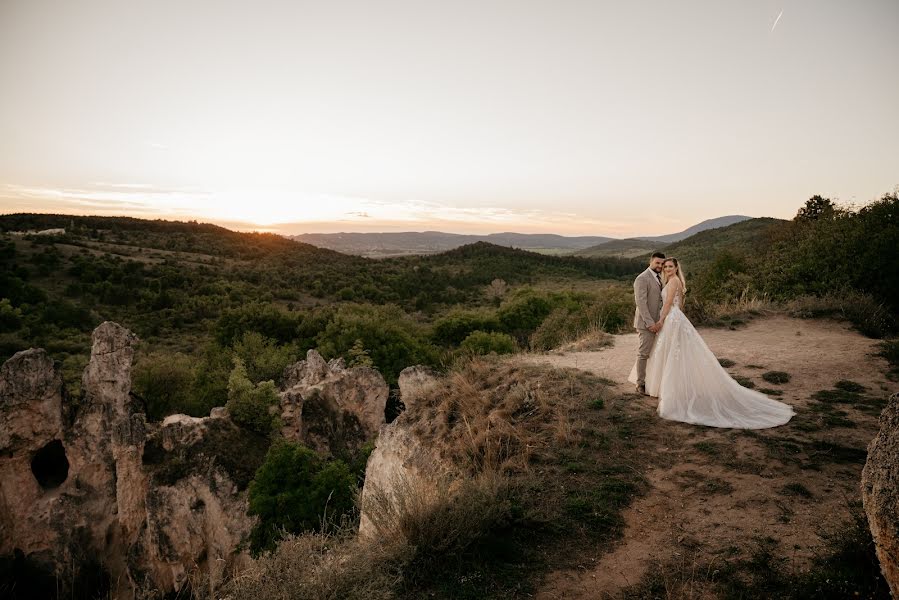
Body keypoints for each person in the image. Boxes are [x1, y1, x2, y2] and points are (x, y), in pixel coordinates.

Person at [643, 257, 794, 429]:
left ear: (676, 268)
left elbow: (669, 304)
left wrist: (661, 321)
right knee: (673, 352)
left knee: (672, 352)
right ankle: (668, 388)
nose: (667, 269)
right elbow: (681, 304)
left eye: (670, 266)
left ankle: (671, 390)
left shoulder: (673, 282)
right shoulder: (674, 281)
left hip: (671, 319)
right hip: (676, 319)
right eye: (665, 266)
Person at [630, 252, 666, 395]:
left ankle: (652, 380)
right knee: (643, 354)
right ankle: (640, 384)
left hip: (660, 322)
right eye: (657, 263)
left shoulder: (661, 277)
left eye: (662, 263)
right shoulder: (642, 278)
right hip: (646, 323)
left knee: (656, 353)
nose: (660, 266)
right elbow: (641, 303)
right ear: (651, 261)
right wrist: (650, 323)